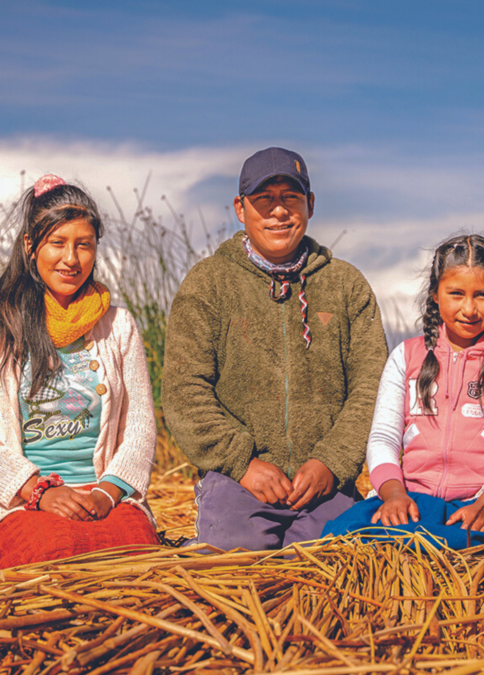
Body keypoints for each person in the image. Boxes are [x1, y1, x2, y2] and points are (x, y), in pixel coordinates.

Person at [163, 147, 387, 551]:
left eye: (291, 198)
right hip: (237, 481)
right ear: (240, 208)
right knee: (232, 565)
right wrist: (242, 464)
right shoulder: (208, 283)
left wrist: (330, 463)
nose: (279, 211)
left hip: (324, 486)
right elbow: (185, 389)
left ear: (310, 205)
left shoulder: (347, 285)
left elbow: (371, 388)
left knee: (329, 568)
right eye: (264, 199)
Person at [0, 174, 159, 574]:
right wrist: (37, 491)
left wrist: (107, 493)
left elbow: (140, 427)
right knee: (51, 554)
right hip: (18, 504)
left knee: (138, 553)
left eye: (84, 245)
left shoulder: (119, 326)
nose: (71, 259)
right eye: (57, 243)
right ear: (30, 246)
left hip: (102, 499)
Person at [324, 234, 484, 548]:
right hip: (412, 498)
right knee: (344, 534)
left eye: (482, 295)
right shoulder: (406, 357)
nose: (469, 308)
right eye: (455, 293)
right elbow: (384, 436)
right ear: (435, 294)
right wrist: (394, 493)